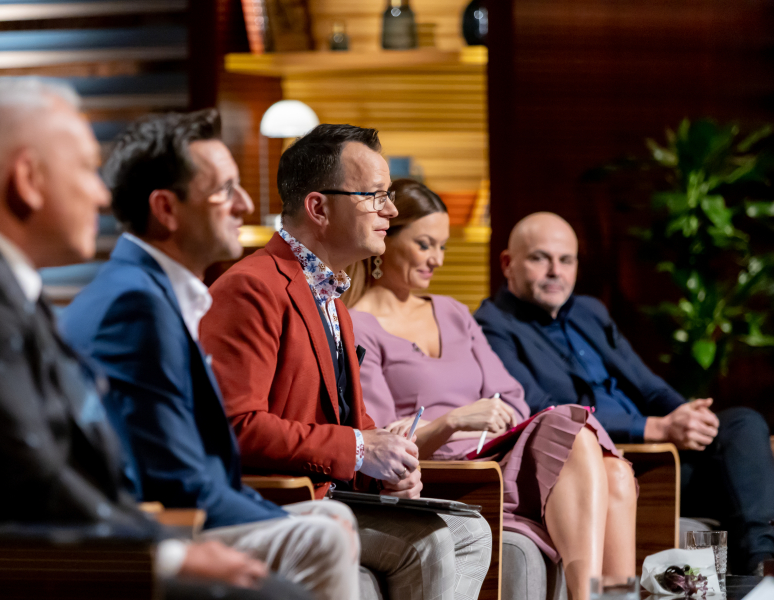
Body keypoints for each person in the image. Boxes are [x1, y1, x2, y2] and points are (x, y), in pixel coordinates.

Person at [0, 78, 309, 600]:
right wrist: (169, 553)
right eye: (84, 168)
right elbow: (28, 473)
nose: (102, 195)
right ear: (28, 180)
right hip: (5, 573)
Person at [61, 110, 360, 600]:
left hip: (175, 508)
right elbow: (177, 478)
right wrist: (280, 517)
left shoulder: (151, 290)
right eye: (225, 190)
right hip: (143, 530)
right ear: (166, 209)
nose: (245, 204)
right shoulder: (135, 304)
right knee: (323, 536)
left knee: (329, 518)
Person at [201, 124, 492, 600]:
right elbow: (234, 426)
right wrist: (360, 448)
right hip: (278, 502)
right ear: (318, 208)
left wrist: (388, 464)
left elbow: (339, 420)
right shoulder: (251, 286)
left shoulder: (331, 295)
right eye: (375, 196)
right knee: (429, 541)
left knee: (472, 532)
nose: (390, 210)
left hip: (333, 494)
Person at [344, 180, 637, 600]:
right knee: (572, 429)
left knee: (617, 473)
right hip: (451, 474)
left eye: (442, 247)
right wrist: (452, 422)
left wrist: (485, 421)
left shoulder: (453, 312)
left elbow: (513, 400)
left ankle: (616, 597)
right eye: (425, 245)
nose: (437, 259)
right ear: (385, 240)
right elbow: (385, 442)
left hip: (498, 455)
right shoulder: (358, 325)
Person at [474, 211, 774, 575]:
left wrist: (687, 416)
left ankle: (762, 567)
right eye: (540, 258)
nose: (556, 271)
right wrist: (655, 428)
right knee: (746, 472)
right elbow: (542, 411)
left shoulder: (589, 312)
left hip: (665, 450)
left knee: (742, 423)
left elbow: (648, 385)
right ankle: (759, 568)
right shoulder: (491, 325)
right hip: (614, 461)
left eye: (566, 260)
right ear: (508, 263)